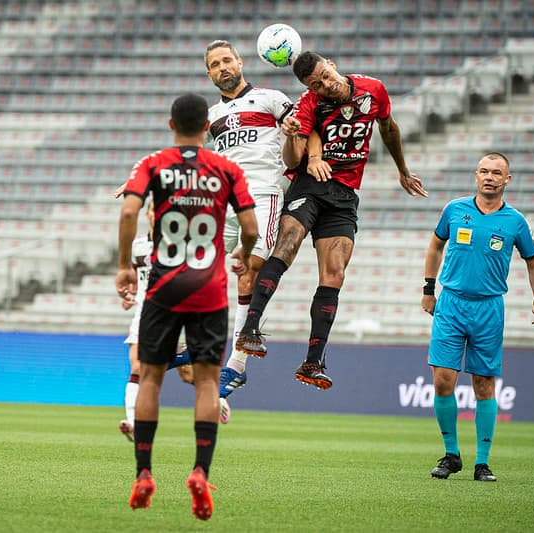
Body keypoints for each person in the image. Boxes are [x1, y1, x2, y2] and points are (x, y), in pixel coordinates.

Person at [235, 51, 428, 389]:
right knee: (287, 245)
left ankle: (313, 362)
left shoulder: (374, 90)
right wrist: (298, 140)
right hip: (310, 186)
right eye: (316, 83)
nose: (325, 85)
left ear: (333, 66)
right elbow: (292, 159)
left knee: (335, 273)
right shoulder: (309, 103)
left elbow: (388, 127)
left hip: (344, 197)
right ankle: (249, 329)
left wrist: (402, 170)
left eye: (326, 75)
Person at [115, 93, 258, 520]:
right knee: (207, 383)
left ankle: (143, 473)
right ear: (208, 126)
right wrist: (242, 253)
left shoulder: (153, 163)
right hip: (209, 289)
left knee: (151, 378)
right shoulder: (228, 168)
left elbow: (127, 213)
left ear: (170, 123)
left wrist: (124, 266)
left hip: (163, 286)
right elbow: (249, 227)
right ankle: (200, 471)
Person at [420, 152, 534, 482]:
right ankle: (451, 454)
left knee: (484, 384)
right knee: (442, 379)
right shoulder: (455, 210)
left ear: (508, 180)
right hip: (451, 303)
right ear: (476, 176)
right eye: (484, 171)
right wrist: (428, 289)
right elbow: (435, 246)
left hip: (489, 307)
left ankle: (482, 462)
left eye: (497, 172)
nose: (489, 177)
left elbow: (533, 261)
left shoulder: (515, 221)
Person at [204, 40, 295, 421]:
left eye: (227, 60)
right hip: (223, 196)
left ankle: (237, 363)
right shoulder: (211, 116)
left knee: (251, 269)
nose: (223, 67)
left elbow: (301, 125)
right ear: (209, 74)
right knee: (201, 271)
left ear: (241, 62)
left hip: (261, 191)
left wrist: (293, 130)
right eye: (214, 64)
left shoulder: (272, 98)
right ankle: (198, 345)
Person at [118, 197, 194, 442]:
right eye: (153, 210)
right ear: (148, 214)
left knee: (189, 375)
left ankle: (217, 397)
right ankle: (133, 422)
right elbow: (134, 279)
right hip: (144, 313)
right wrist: (128, 297)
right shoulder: (138, 246)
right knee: (137, 365)